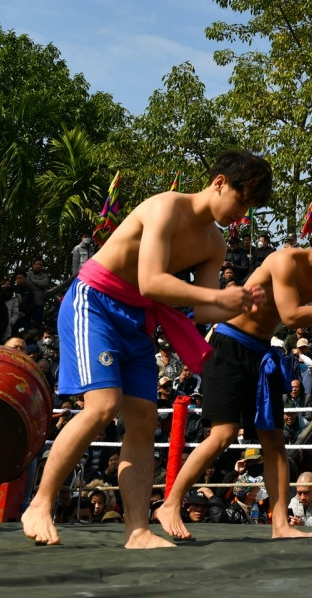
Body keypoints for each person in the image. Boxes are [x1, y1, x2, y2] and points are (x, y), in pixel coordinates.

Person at [21, 152, 272, 548]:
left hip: (138, 316)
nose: (241, 213)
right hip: (96, 301)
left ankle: (137, 529)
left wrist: (235, 303)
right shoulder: (166, 207)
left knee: (143, 420)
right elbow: (152, 280)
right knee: (102, 406)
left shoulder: (215, 243)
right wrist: (219, 296)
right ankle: (40, 502)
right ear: (220, 182)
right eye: (241, 202)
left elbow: (204, 310)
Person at [156, 210, 312, 540]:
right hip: (229, 343)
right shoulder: (286, 260)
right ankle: (170, 503)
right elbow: (292, 315)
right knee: (223, 435)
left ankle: (280, 524)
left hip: (262, 353)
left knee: (275, 443)